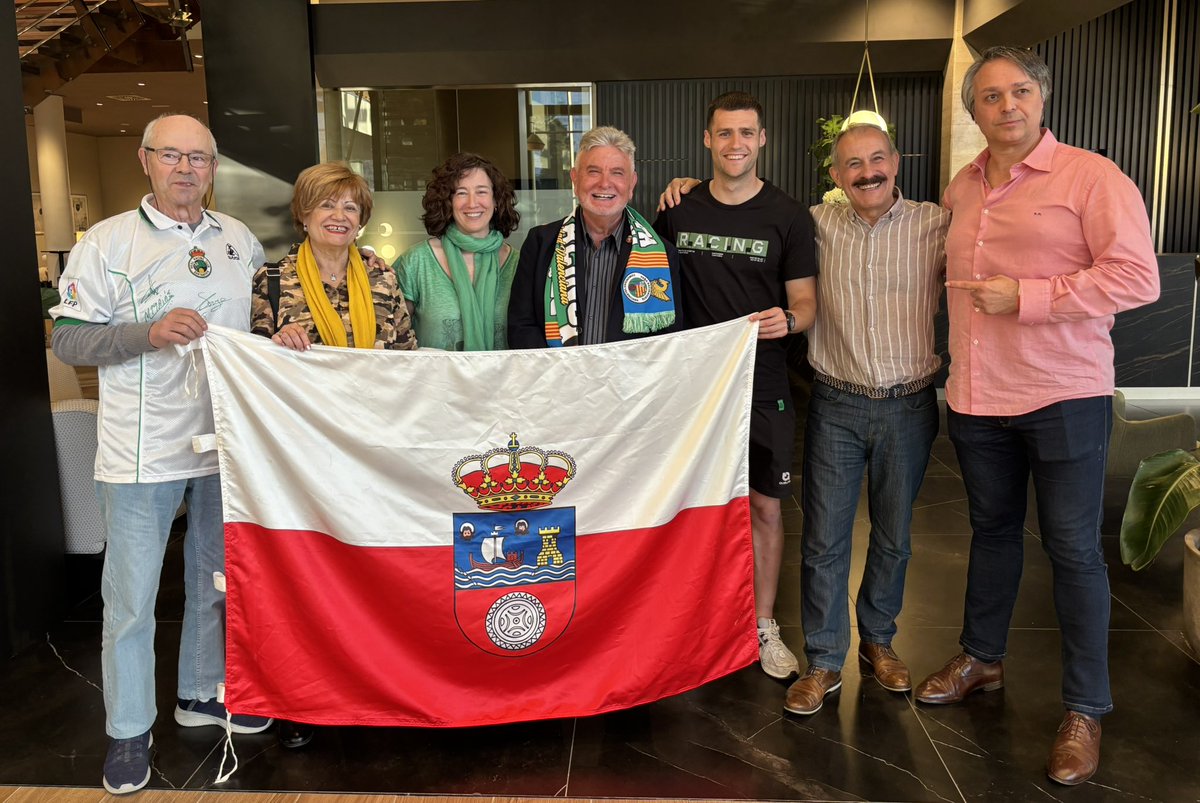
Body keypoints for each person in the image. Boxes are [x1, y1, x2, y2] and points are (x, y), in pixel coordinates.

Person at [913, 46, 1159, 786]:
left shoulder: (1093, 175)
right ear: (974, 110)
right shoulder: (961, 186)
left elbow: (1137, 276)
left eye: (1019, 91)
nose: (1007, 106)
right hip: (979, 395)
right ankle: (982, 656)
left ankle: (1085, 708)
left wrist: (1028, 296)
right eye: (990, 96)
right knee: (990, 532)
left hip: (1063, 392)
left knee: (1074, 550)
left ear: (1042, 97)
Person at [49, 113, 272, 796]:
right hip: (141, 451)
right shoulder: (107, 241)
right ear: (146, 160)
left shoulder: (240, 240)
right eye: (172, 155)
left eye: (198, 158)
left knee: (214, 581)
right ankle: (127, 731)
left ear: (212, 167)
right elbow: (68, 339)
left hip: (223, 448)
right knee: (131, 599)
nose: (185, 168)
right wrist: (146, 333)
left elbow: (259, 330)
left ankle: (201, 692)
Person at [781, 123, 948, 715]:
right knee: (823, 540)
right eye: (853, 164)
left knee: (895, 537)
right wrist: (687, 187)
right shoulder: (814, 224)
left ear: (897, 162)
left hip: (909, 405)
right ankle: (824, 660)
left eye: (878, 159)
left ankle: (879, 642)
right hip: (837, 405)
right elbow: (754, 213)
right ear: (835, 177)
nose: (868, 172)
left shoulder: (937, 223)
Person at [654, 91, 818, 680]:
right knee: (688, 503)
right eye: (724, 133)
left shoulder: (789, 215)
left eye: (746, 133)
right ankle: (691, 619)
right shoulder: (677, 208)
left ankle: (763, 625)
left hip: (762, 377)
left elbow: (805, 301)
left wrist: (790, 320)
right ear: (707, 140)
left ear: (762, 139)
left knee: (764, 506)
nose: (735, 144)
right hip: (692, 385)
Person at [508, 126, 685, 347]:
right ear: (575, 179)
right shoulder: (541, 243)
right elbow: (521, 325)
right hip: (555, 378)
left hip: (629, 380)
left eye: (617, 173)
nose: (604, 183)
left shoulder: (661, 253)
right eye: (593, 171)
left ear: (632, 184)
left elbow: (669, 338)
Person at [250, 162, 416, 352]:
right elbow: (258, 360)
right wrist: (278, 341)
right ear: (304, 216)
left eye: (350, 208)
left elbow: (407, 358)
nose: (339, 216)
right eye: (327, 205)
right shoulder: (272, 279)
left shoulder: (384, 280)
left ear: (360, 221)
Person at [396, 153, 520, 350]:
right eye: (461, 192)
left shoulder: (520, 265)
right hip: (435, 380)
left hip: (502, 381)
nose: (472, 203)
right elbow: (392, 337)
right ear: (448, 201)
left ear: (496, 200)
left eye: (481, 192)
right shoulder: (416, 262)